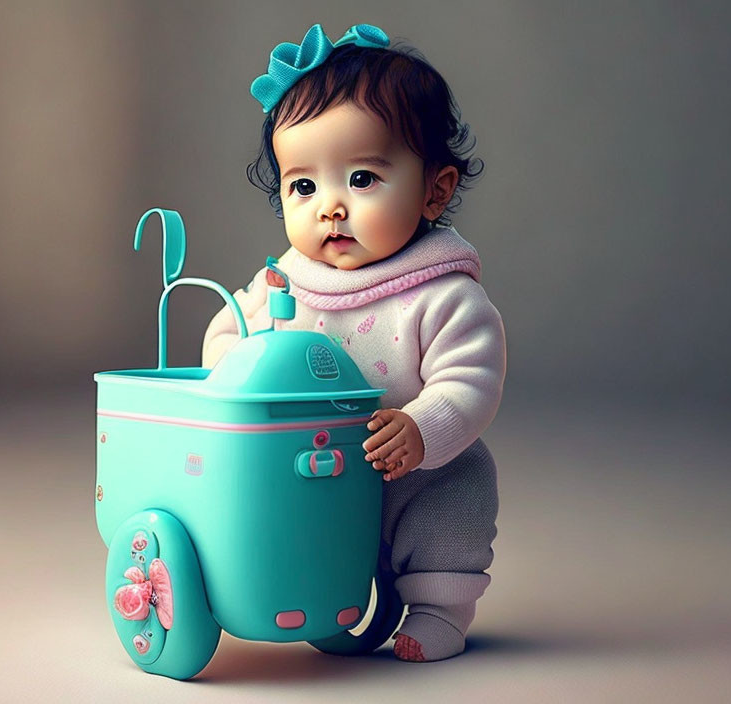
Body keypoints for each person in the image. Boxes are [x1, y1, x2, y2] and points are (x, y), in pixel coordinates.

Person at [202, 23, 506, 662]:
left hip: (414, 474)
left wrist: (424, 428)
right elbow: (230, 328)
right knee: (295, 530)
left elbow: (471, 380)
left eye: (362, 179)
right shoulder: (286, 280)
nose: (329, 208)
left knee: (445, 521)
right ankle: (317, 599)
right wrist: (233, 373)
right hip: (312, 474)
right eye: (303, 186)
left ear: (434, 190)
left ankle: (437, 611)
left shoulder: (441, 294)